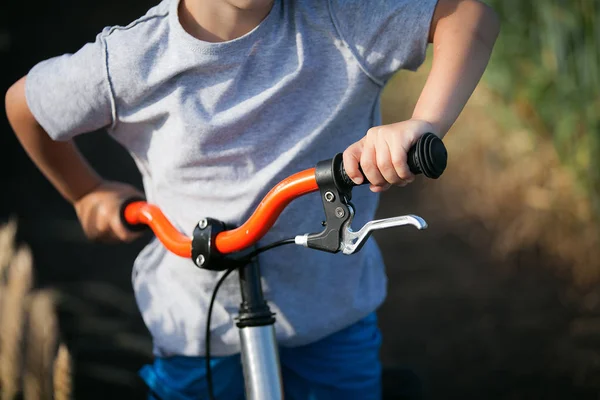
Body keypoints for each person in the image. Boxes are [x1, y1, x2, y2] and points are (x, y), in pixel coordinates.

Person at [5, 0, 499, 398]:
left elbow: (469, 16)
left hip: (329, 316)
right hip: (195, 327)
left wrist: (423, 123)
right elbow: (24, 104)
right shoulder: (131, 61)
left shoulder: (338, 19)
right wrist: (87, 192)